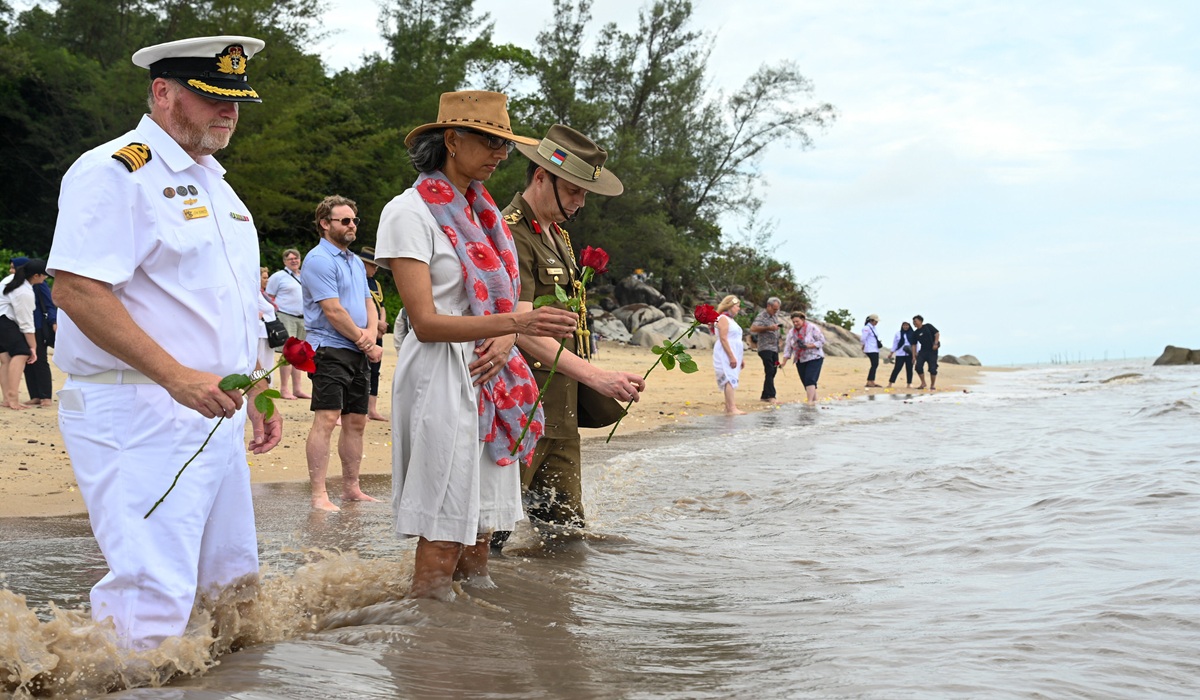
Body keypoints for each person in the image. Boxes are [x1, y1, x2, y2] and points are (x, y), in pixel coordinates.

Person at [45, 35, 280, 651]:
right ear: (162, 92)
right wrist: (176, 375)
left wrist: (254, 386)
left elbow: (225, 301)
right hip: (140, 409)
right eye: (211, 98)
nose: (227, 111)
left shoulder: (218, 186)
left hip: (212, 410)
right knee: (151, 596)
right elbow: (76, 290)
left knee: (229, 590)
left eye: (235, 100)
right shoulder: (117, 171)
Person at [375, 90, 579, 599]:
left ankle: (475, 644)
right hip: (442, 374)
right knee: (445, 525)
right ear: (452, 139)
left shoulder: (488, 217)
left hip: (493, 373)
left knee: (482, 535)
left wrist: (510, 332)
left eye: (504, 144)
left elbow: (501, 309)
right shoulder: (409, 212)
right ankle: (427, 643)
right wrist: (515, 323)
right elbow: (423, 322)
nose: (500, 154)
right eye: (489, 141)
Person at [497, 124, 645, 544]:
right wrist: (597, 378)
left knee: (565, 535)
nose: (580, 203)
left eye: (585, 194)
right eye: (574, 191)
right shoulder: (511, 233)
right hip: (520, 408)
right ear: (541, 176)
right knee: (490, 531)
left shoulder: (558, 236)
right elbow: (519, 326)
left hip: (560, 409)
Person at [300, 195, 383, 512]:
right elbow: (332, 311)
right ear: (325, 223)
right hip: (329, 349)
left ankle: (351, 488)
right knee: (327, 418)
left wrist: (372, 334)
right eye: (344, 220)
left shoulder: (354, 262)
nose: (352, 226)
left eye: (354, 221)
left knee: (356, 422)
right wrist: (365, 341)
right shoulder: (319, 260)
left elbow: (369, 303)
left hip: (357, 349)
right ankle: (319, 494)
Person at [0, 259, 48, 410]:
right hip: (4, 321)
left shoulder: (11, 280)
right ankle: (13, 398)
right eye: (44, 275)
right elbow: (26, 323)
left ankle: (8, 399)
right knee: (21, 353)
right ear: (36, 276)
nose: (46, 278)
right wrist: (33, 347)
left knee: (5, 358)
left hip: (3, 319)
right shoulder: (24, 291)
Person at [12, 256, 57, 406]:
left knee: (40, 360)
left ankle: (46, 396)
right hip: (23, 327)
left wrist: (53, 322)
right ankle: (35, 395)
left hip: (37, 326)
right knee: (28, 360)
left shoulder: (39, 284)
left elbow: (49, 304)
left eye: (13, 267)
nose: (11, 270)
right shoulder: (18, 284)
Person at [266, 248, 310, 400]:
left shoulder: (304, 276)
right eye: (290, 259)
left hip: (303, 318)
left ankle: (297, 389)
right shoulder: (278, 277)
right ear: (285, 261)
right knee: (287, 353)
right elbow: (269, 297)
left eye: (296, 258)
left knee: (299, 354)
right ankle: (284, 389)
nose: (294, 261)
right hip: (286, 316)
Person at [357, 247, 389, 422]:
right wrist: (376, 324)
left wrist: (382, 325)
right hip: (365, 328)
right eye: (373, 266)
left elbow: (381, 306)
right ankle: (359, 408)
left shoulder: (375, 284)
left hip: (378, 332)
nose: (375, 269)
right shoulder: (357, 280)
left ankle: (372, 408)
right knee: (361, 369)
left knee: (375, 370)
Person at [780, 311, 826, 403]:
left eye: (797, 321)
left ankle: (809, 403)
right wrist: (784, 362)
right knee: (806, 382)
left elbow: (821, 341)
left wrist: (808, 346)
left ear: (803, 320)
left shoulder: (812, 328)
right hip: (800, 359)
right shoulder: (791, 333)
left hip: (814, 357)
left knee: (810, 380)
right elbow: (788, 348)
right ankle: (814, 402)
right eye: (794, 322)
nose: (795, 324)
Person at [712, 295, 746, 415]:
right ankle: (731, 407)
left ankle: (728, 407)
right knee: (729, 378)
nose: (738, 309)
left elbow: (736, 339)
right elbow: (723, 338)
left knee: (731, 377)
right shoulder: (723, 319)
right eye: (737, 306)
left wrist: (740, 358)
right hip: (725, 352)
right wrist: (731, 356)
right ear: (730, 306)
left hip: (734, 352)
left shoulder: (731, 320)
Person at [749, 296, 783, 403]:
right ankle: (771, 396)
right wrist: (768, 328)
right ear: (768, 306)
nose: (775, 311)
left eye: (777, 309)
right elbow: (753, 328)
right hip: (765, 347)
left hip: (774, 348)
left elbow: (776, 330)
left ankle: (765, 395)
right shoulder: (762, 316)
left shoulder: (774, 316)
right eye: (774, 309)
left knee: (774, 370)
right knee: (769, 369)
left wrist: (780, 339)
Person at [256, 266, 278, 383]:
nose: (267, 280)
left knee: (268, 361)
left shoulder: (264, 294)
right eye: (264, 278)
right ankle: (259, 385)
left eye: (267, 277)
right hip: (260, 332)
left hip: (268, 332)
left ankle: (267, 384)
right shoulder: (254, 293)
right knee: (260, 360)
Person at [913, 314, 941, 390]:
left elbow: (937, 333)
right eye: (913, 321)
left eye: (915, 321)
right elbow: (914, 344)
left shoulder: (928, 326)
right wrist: (914, 355)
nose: (914, 323)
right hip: (923, 351)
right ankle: (923, 383)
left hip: (932, 351)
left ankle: (932, 385)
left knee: (932, 369)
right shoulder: (915, 333)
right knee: (918, 367)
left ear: (920, 321)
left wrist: (935, 343)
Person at [887, 321, 917, 388]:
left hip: (910, 354)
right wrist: (891, 353)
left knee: (909, 369)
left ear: (909, 326)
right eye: (904, 325)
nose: (905, 327)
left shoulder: (913, 334)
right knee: (897, 368)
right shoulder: (898, 333)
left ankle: (909, 383)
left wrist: (915, 355)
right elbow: (895, 344)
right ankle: (890, 383)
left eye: (907, 325)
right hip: (900, 354)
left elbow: (915, 344)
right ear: (902, 326)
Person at [861, 313, 885, 388]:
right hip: (870, 348)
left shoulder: (873, 328)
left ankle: (871, 381)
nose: (876, 322)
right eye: (875, 321)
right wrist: (863, 345)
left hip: (874, 348)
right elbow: (863, 338)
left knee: (875, 364)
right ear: (871, 320)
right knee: (874, 364)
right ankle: (869, 381)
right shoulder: (867, 328)